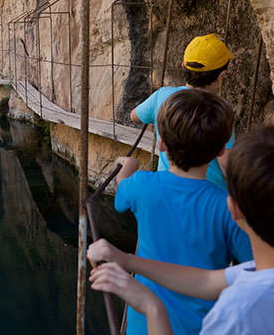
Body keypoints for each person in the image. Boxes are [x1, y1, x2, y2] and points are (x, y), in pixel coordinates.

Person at [89, 126, 274, 334]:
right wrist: (126, 260)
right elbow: (207, 281)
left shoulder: (237, 313)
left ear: (234, 208)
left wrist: (151, 306)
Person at [105, 89, 252, 335]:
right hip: (202, 325)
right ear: (219, 151)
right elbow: (252, 264)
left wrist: (127, 167)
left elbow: (121, 198)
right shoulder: (227, 207)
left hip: (144, 322)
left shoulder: (142, 185)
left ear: (162, 143)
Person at [131, 34, 233, 190]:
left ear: (183, 65)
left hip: (167, 189)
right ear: (221, 76)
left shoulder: (162, 95)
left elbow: (135, 116)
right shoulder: (220, 109)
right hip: (210, 195)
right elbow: (226, 163)